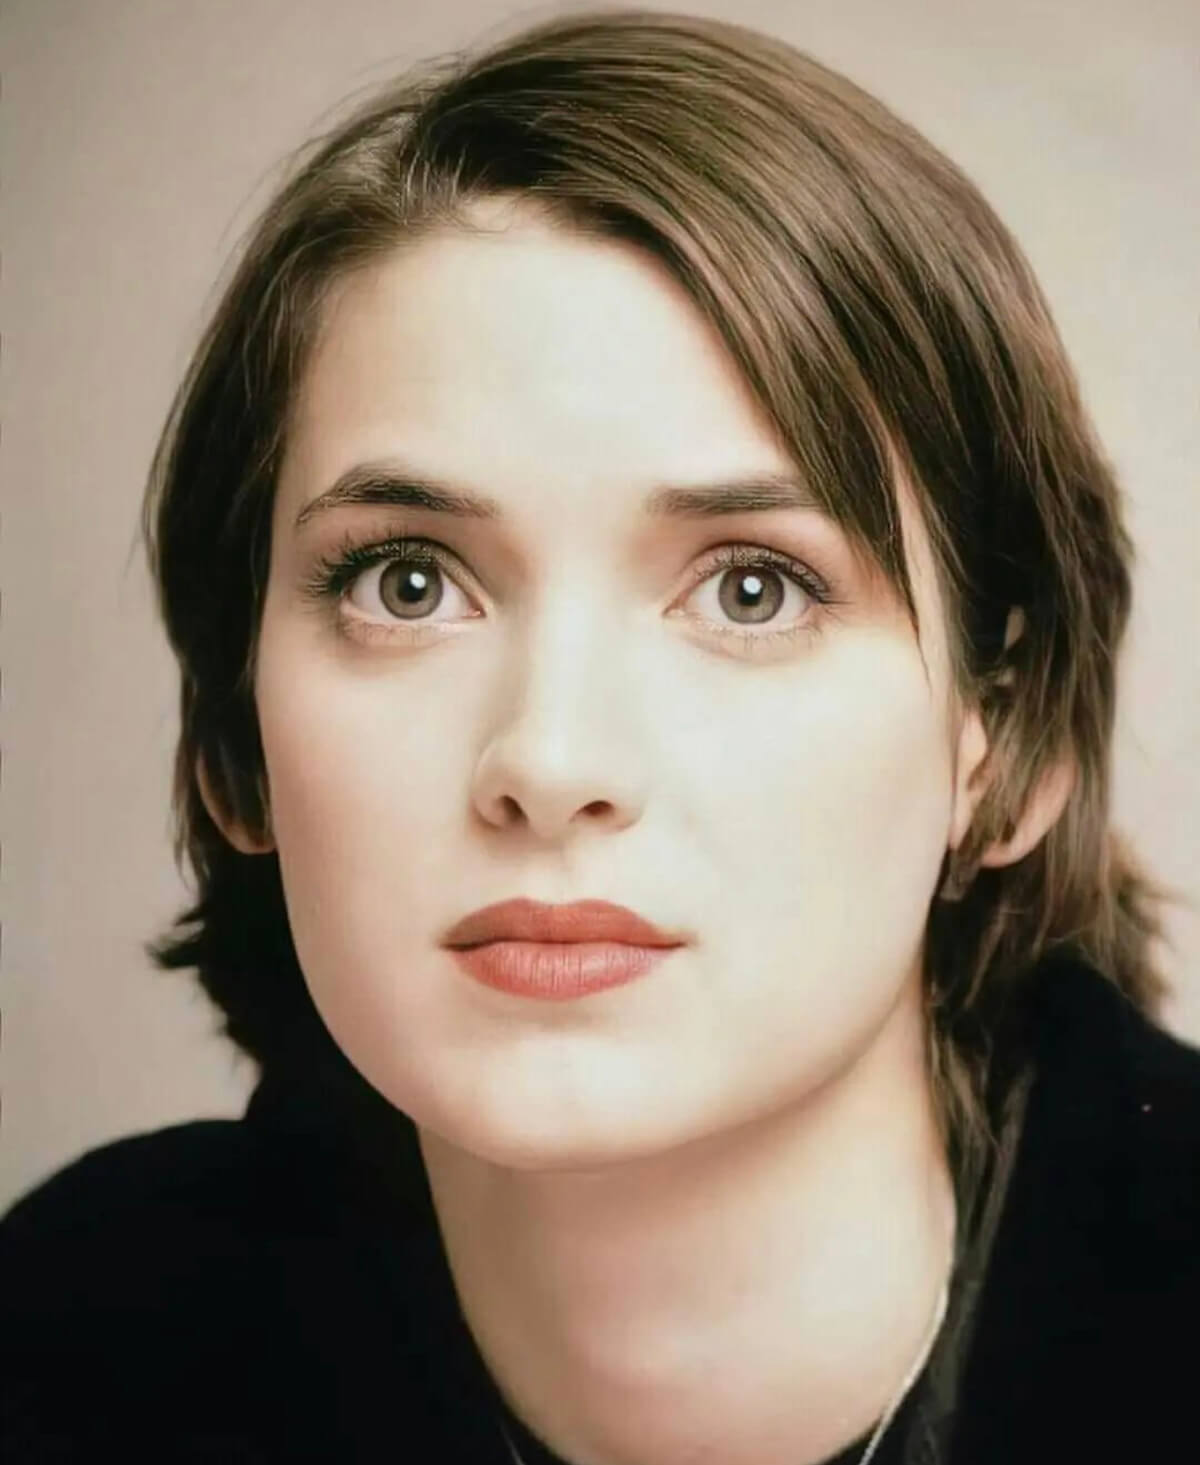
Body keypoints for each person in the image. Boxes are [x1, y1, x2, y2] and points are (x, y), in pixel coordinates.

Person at [3, 8, 1198, 1463]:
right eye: (407, 583)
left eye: (753, 589)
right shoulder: (68, 1355)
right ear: (237, 743)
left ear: (1003, 740)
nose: (552, 760)